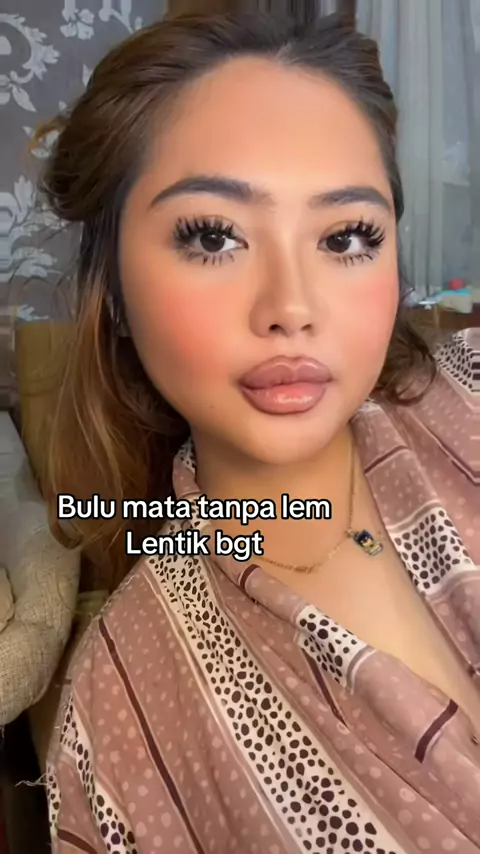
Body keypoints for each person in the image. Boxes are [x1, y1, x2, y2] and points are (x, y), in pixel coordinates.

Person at [36, 11, 479, 854]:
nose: (291, 308)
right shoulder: (125, 707)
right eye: (213, 236)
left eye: (346, 236)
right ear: (115, 291)